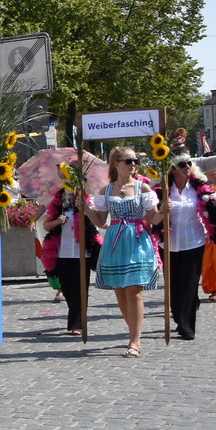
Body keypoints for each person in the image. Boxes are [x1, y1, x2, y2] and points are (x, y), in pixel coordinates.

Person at [81, 146, 163, 357]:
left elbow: (153, 219)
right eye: (129, 161)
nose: (134, 164)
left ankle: (134, 341)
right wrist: (85, 207)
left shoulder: (142, 188)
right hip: (115, 240)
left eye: (135, 161)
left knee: (134, 290)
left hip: (136, 239)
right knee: (120, 291)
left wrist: (164, 211)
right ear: (116, 163)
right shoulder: (106, 191)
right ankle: (133, 331)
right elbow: (100, 221)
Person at [161, 152, 216, 340]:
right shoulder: (163, 189)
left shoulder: (199, 188)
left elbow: (214, 211)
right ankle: (178, 316)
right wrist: (161, 209)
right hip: (168, 243)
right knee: (174, 285)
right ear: (173, 168)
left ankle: (187, 326)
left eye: (189, 164)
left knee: (190, 284)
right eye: (183, 164)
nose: (187, 167)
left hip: (194, 241)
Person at [37, 188, 96, 335]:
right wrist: (57, 221)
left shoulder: (87, 200)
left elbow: (96, 221)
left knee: (80, 289)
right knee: (67, 288)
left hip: (82, 253)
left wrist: (86, 209)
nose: (68, 196)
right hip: (62, 253)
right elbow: (46, 225)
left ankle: (78, 324)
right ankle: (76, 317)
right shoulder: (57, 205)